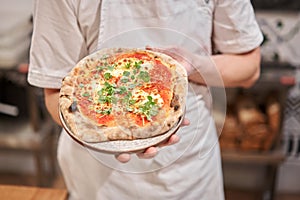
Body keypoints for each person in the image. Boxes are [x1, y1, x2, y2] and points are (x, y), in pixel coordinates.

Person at [28, 0, 263, 199]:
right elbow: (54, 92)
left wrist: (194, 65)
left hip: (190, 167)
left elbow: (249, 68)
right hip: (98, 176)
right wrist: (97, 136)